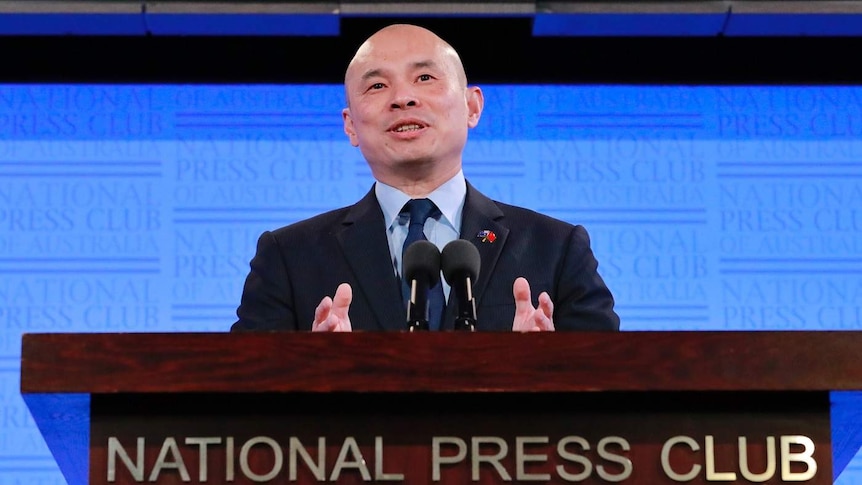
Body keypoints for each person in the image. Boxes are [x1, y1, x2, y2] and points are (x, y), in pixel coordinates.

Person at [231, 23, 619, 332]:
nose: (403, 98)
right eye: (377, 85)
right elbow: (238, 404)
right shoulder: (288, 257)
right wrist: (307, 371)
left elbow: (615, 392)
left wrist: (551, 366)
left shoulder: (556, 249)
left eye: (425, 79)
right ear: (350, 126)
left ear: (472, 106)